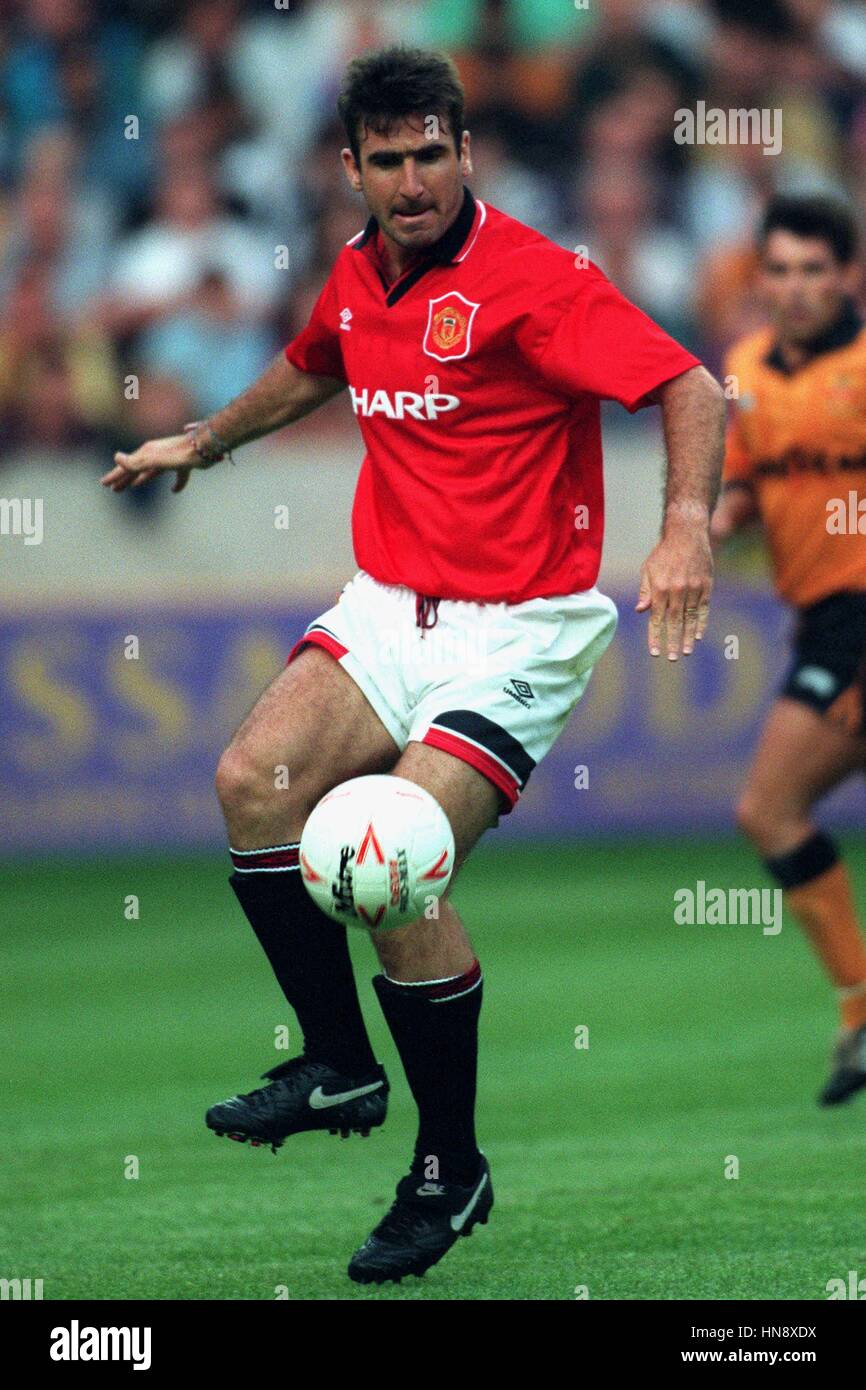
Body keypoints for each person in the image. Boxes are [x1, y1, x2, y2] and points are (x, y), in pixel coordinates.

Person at [101, 46, 723, 1285]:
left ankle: (449, 1167)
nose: (411, 179)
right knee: (251, 782)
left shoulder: (535, 282)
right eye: (386, 160)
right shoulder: (353, 275)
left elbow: (688, 383)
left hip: (517, 626)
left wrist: (685, 526)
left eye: (430, 152)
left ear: (463, 150)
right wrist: (207, 439)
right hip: (391, 606)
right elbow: (314, 360)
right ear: (352, 169)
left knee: (387, 864)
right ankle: (335, 1060)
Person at [711, 194, 866, 1107]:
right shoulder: (744, 370)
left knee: (769, 808)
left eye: (816, 268)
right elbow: (745, 485)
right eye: (783, 269)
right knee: (771, 812)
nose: (799, 287)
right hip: (820, 620)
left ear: (847, 274)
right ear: (761, 276)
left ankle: (858, 1010)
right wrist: (707, 523)